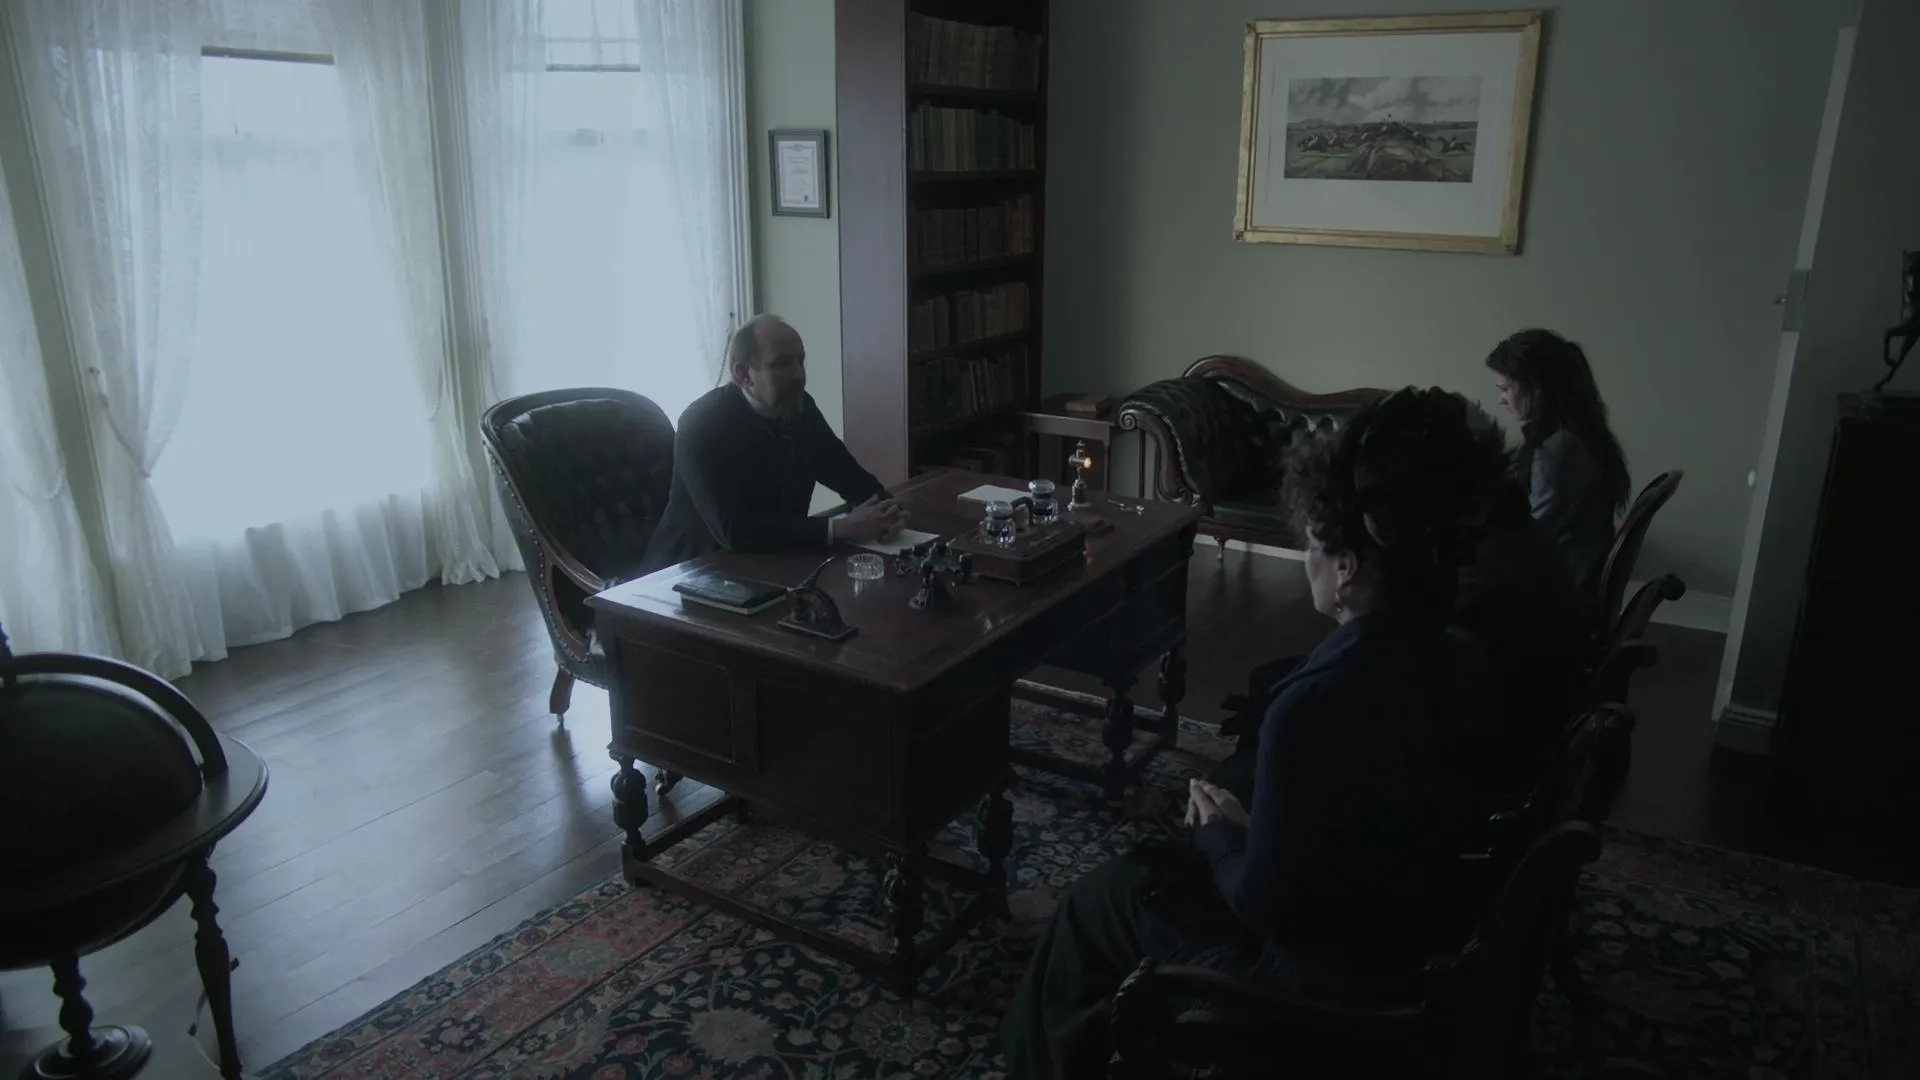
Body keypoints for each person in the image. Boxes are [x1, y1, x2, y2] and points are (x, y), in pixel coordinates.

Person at [1001, 388, 1505, 1078]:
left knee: (1099, 899)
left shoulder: (1319, 707)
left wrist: (1224, 833)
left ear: (1349, 565)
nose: (1306, 559)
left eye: (1312, 545)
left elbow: (1268, 909)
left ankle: (1038, 1060)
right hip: (1402, 933)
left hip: (1311, 986)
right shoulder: (1458, 654)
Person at [640, 315, 904, 574]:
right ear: (743, 373)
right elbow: (735, 532)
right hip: (688, 576)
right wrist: (841, 528)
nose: (799, 375)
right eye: (782, 364)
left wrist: (886, 512)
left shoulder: (800, 408)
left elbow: (847, 475)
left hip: (773, 563)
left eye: (801, 361)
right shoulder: (703, 425)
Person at [1486, 328, 1632, 595]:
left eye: (1506, 388)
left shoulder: (1559, 449)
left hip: (1558, 595)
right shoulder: (1582, 433)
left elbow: (1529, 534)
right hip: (1574, 582)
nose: (1501, 399)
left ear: (1536, 387)